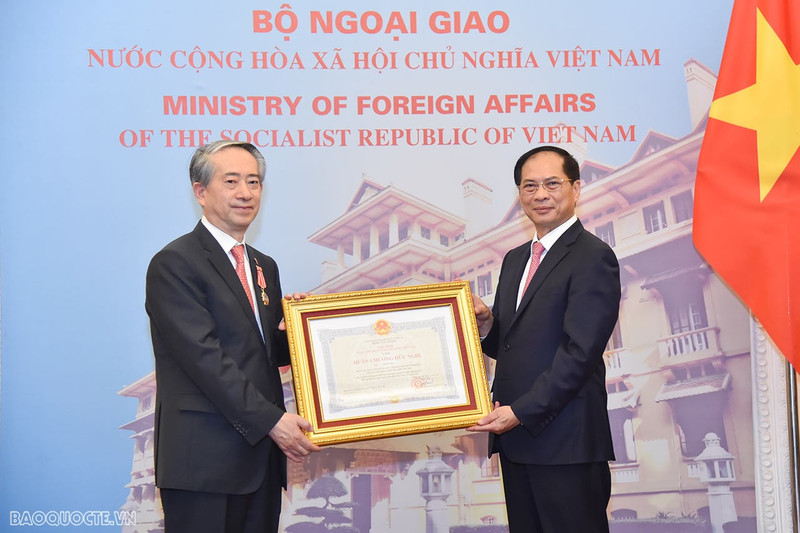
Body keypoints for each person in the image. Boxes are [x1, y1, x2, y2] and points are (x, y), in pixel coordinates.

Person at [145, 140, 320, 533]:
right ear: (200, 191)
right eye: (232, 181)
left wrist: (302, 330)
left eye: (254, 182)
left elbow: (261, 354)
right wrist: (274, 422)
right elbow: (205, 359)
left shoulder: (263, 266)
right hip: (203, 465)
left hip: (259, 462)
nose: (245, 192)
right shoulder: (175, 263)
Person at [468, 145, 621, 533]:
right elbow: (509, 342)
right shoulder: (515, 258)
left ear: (576, 188)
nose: (540, 195)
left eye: (552, 183)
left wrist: (520, 411)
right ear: (519, 194)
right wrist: (486, 322)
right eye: (529, 186)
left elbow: (579, 353)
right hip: (517, 441)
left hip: (565, 440)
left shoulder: (593, 256)